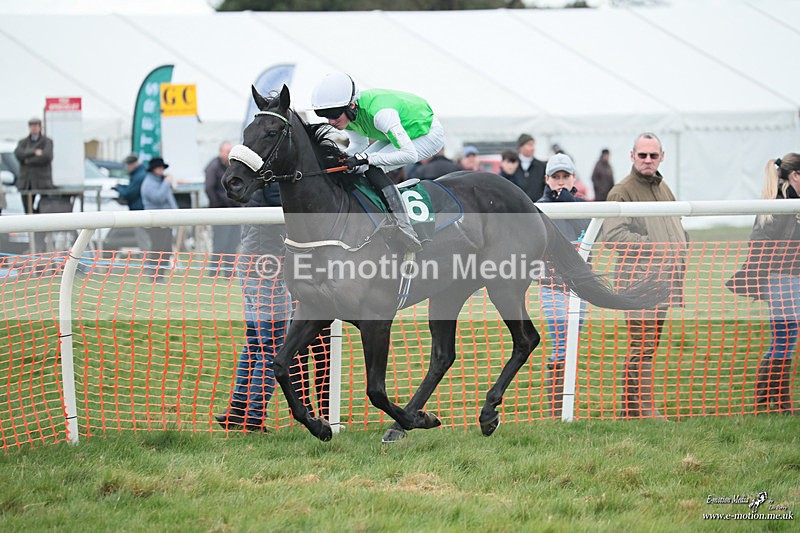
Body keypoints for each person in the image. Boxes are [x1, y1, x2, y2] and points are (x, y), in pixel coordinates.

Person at [216, 183, 330, 431]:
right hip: (267, 270)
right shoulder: (273, 185)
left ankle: (238, 409)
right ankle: (254, 417)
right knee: (272, 348)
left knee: (254, 344)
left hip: (252, 264)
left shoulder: (258, 181)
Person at [311, 72, 446, 253]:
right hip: (398, 134)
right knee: (356, 167)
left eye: (334, 115)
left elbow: (408, 154)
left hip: (427, 134)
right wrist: (338, 159)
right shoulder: (349, 116)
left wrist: (368, 159)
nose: (331, 122)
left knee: (370, 166)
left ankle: (405, 227)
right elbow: (359, 146)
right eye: (325, 116)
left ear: (352, 105)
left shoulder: (381, 114)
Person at [602, 132, 687, 420]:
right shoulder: (622, 191)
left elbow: (676, 226)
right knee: (643, 345)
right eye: (642, 155)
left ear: (662, 157)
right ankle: (645, 408)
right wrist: (654, 244)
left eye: (653, 155)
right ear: (632, 156)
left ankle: (631, 409)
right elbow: (613, 235)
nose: (648, 160)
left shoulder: (664, 189)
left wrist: (680, 246)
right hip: (638, 282)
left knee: (649, 345)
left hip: (664, 280)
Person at [726, 153, 800, 415]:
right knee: (784, 339)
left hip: (787, 278)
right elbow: (760, 240)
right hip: (783, 278)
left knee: (784, 339)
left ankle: (766, 399)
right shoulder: (782, 204)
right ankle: (779, 401)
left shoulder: (788, 201)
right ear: (795, 175)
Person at [535, 154, 590, 418]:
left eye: (565, 177)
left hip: (580, 289)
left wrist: (569, 201)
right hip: (551, 286)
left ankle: (566, 405)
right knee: (561, 344)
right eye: (555, 177)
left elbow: (591, 230)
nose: (560, 182)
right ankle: (558, 409)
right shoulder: (539, 208)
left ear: (573, 178)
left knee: (572, 345)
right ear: (547, 179)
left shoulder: (583, 206)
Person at [14, 117, 54, 251]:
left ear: (40, 127)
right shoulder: (23, 142)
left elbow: (46, 156)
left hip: (42, 184)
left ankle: (41, 244)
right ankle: (33, 245)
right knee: (29, 214)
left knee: (43, 214)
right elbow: (18, 154)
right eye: (32, 126)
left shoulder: (47, 142)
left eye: (36, 125)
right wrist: (34, 153)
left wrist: (27, 160)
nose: (34, 128)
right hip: (26, 184)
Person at [204, 141, 240, 277]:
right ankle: (214, 271)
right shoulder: (213, 167)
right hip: (220, 212)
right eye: (227, 151)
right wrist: (217, 207)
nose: (229, 154)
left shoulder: (233, 167)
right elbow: (209, 188)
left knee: (233, 243)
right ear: (220, 152)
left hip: (234, 211)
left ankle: (229, 272)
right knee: (220, 243)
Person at [140, 157, 177, 283]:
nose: (161, 170)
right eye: (159, 168)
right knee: (158, 249)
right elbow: (158, 198)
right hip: (155, 222)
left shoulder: (160, 181)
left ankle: (160, 274)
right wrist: (166, 183)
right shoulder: (149, 183)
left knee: (166, 249)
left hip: (166, 221)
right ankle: (155, 275)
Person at [113, 153, 150, 251]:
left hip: (140, 212)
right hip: (143, 211)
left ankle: (147, 259)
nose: (127, 167)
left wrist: (119, 189)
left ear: (132, 164)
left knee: (143, 240)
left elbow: (129, 193)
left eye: (128, 165)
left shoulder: (139, 175)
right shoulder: (141, 173)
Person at [503, 133, 546, 202]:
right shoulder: (512, 165)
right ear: (520, 147)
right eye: (529, 145)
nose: (532, 148)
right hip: (517, 205)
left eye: (533, 145)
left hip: (537, 205)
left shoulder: (541, 166)